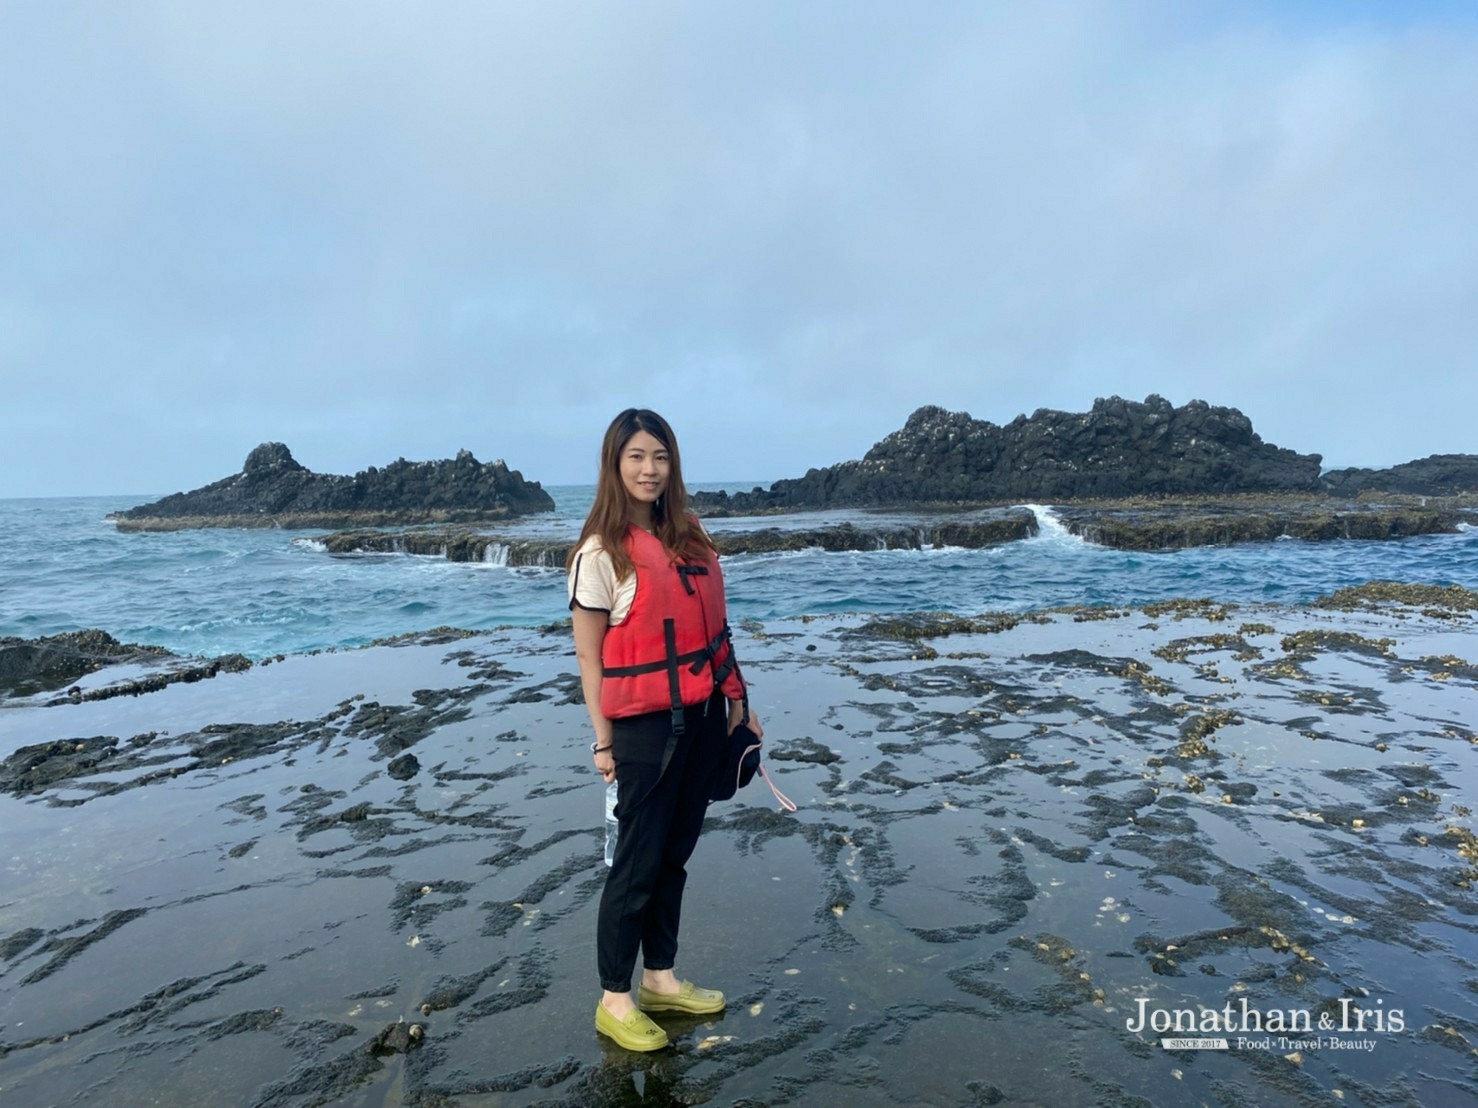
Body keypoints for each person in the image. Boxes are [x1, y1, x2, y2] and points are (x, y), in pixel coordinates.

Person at [566, 407, 761, 1052]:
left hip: (703, 717)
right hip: (644, 732)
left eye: (660, 457)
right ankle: (614, 1000)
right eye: (636, 457)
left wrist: (740, 701)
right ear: (614, 465)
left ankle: (661, 981)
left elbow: (714, 634)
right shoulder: (599, 553)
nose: (649, 470)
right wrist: (602, 740)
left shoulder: (690, 537)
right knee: (634, 864)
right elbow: (590, 657)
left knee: (674, 856)